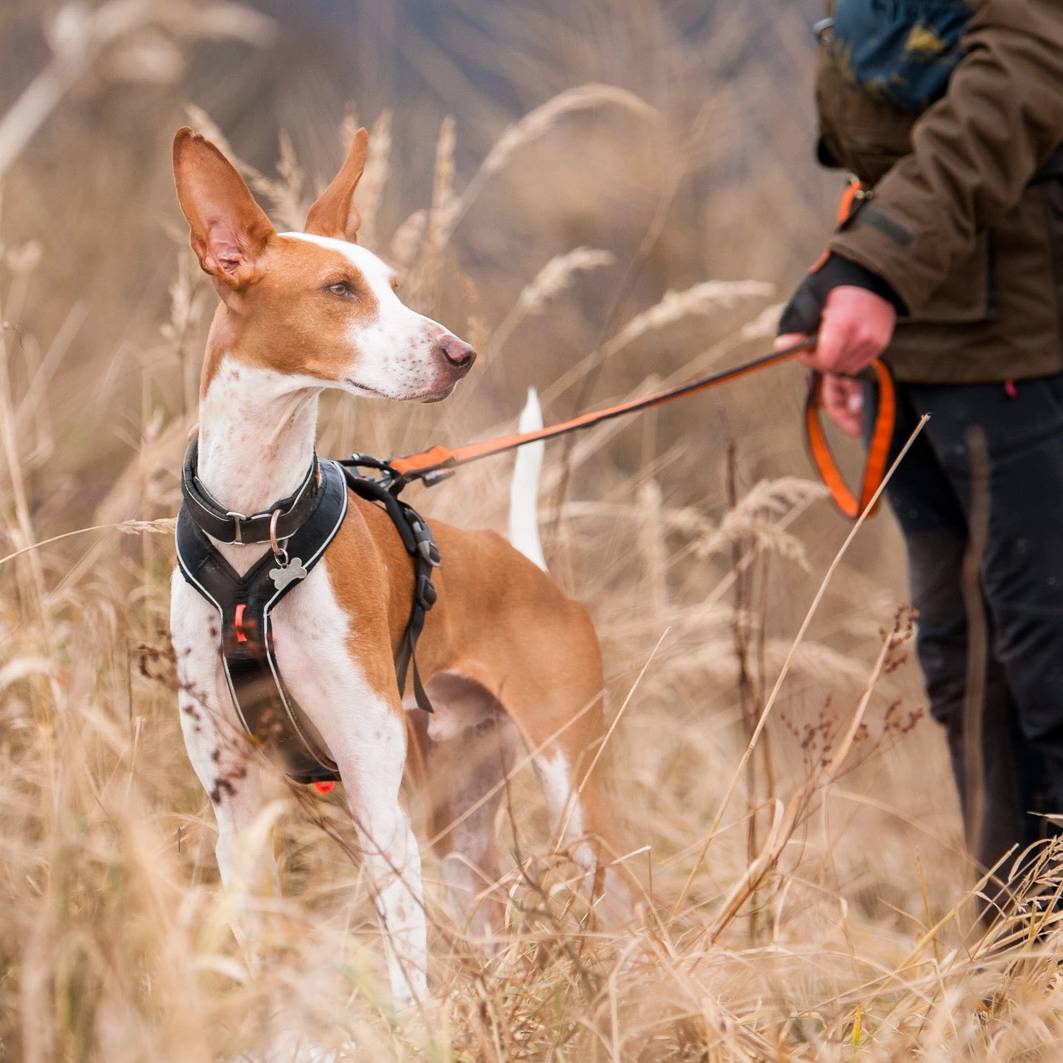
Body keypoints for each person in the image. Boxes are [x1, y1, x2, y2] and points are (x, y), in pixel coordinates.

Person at [776, 0, 1063, 892]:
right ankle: (1017, 944)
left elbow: (1005, 101)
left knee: (1049, 660)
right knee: (965, 666)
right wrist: (854, 293)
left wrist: (873, 270)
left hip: (1026, 347)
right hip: (920, 342)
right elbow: (890, 141)